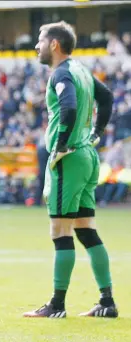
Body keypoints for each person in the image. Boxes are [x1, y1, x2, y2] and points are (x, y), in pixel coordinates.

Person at [24, 21, 117, 318]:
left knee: (59, 229)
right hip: (88, 156)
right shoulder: (82, 71)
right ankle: (107, 301)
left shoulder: (62, 73)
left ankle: (57, 305)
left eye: (40, 40)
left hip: (70, 158)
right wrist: (97, 130)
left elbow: (69, 108)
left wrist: (61, 145)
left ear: (54, 44)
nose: (37, 45)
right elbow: (107, 98)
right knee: (85, 228)